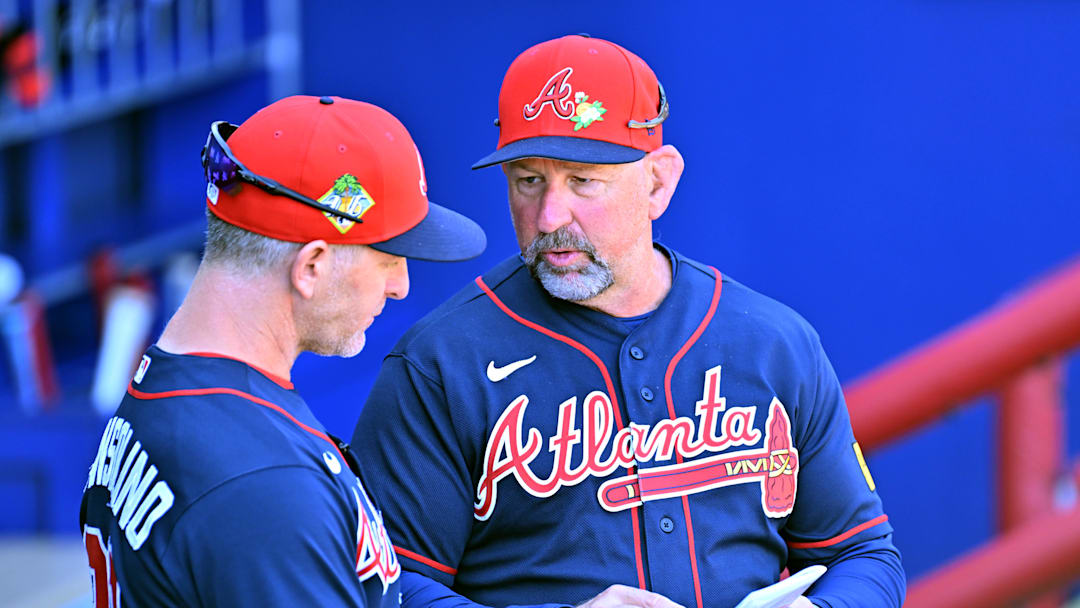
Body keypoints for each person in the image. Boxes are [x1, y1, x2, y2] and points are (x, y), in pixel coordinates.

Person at [352, 35, 906, 608]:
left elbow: (862, 554)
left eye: (582, 180)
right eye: (527, 179)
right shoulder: (441, 361)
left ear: (658, 183)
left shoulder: (772, 342)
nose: (549, 215)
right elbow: (384, 589)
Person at [77, 95, 490, 606]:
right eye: (389, 257)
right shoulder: (263, 483)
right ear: (312, 266)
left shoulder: (182, 389)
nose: (401, 285)